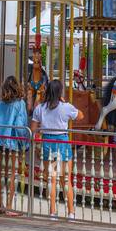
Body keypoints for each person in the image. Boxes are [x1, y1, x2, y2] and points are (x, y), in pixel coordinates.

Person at [31, 79, 80, 221]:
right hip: (63, 144)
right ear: (60, 92)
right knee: (66, 179)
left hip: (48, 143)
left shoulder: (40, 108)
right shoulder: (66, 107)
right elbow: (80, 116)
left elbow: (33, 128)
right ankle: (71, 213)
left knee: (52, 179)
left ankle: (52, 213)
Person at [0, 75, 29, 215]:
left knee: (0, 172)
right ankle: (9, 206)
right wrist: (24, 141)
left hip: (0, 139)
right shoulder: (20, 103)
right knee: (12, 173)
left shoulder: (1, 104)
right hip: (12, 140)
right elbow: (19, 126)